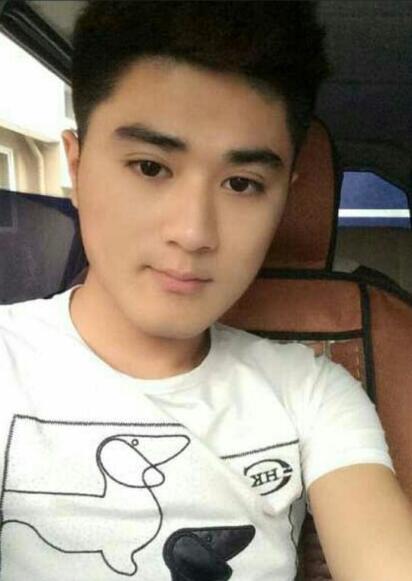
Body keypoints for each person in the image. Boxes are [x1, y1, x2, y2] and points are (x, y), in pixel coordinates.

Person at [0, 1, 411, 580]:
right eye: (150, 167)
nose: (194, 233)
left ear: (284, 198)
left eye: (242, 183)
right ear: (77, 165)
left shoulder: (313, 392)